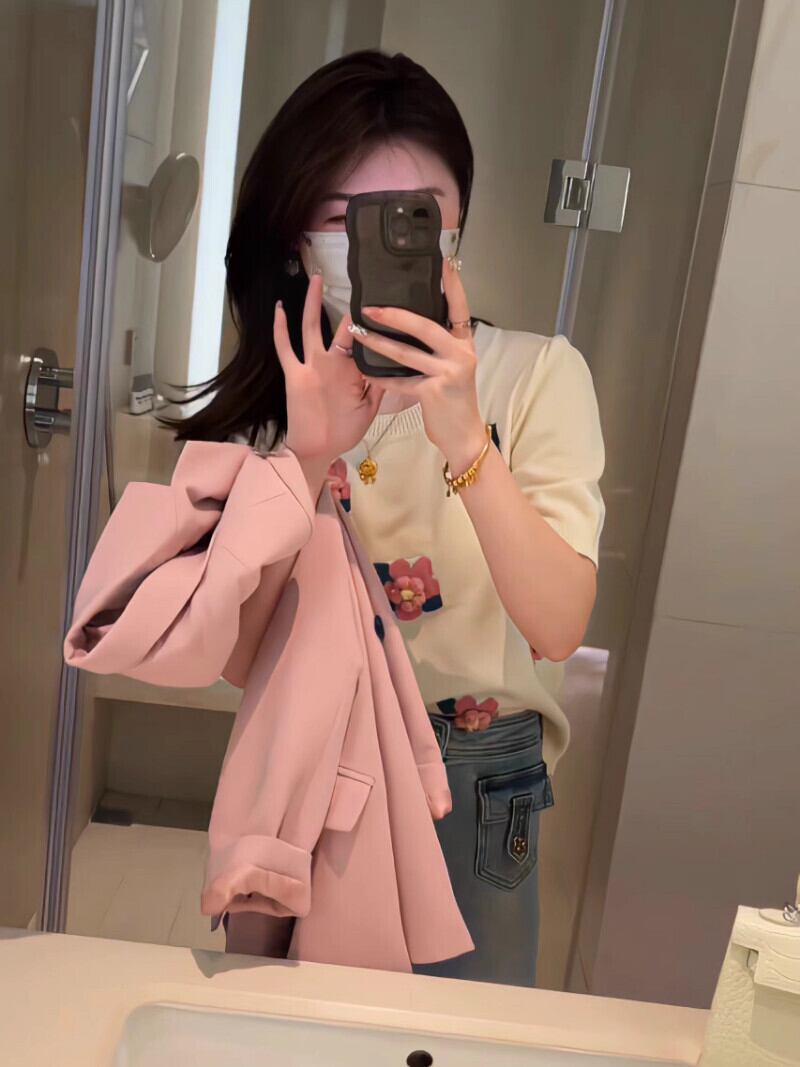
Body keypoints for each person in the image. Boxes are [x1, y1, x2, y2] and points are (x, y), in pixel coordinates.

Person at [160, 49, 605, 986]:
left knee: (452, 1032)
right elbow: (230, 651)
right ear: (297, 241)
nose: (382, 242)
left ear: (456, 228)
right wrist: (305, 455)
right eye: (346, 218)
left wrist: (464, 438)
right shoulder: (277, 401)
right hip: (312, 758)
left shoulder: (536, 377)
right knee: (297, 1029)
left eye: (417, 215)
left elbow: (559, 625)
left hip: (476, 774)